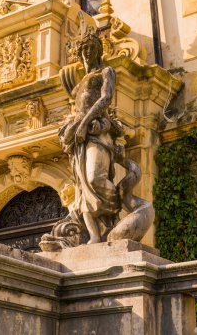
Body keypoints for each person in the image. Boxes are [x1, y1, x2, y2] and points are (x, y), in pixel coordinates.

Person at [59, 32, 122, 243]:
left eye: (91, 48)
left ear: (98, 50)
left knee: (95, 178)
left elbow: (106, 98)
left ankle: (116, 214)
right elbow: (74, 110)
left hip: (95, 132)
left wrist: (85, 123)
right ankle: (94, 235)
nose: (87, 53)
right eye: (83, 50)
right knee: (81, 185)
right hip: (79, 136)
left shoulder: (105, 72)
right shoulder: (79, 84)